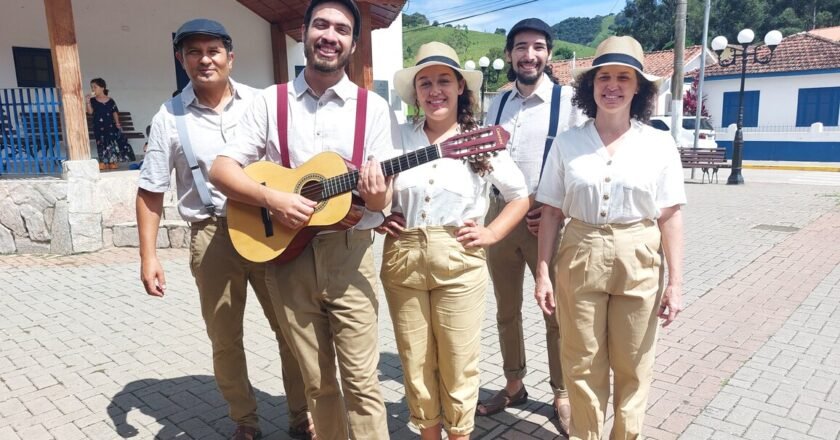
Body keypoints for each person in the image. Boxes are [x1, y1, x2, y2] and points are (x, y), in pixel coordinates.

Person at [209, 1, 398, 438]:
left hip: (350, 257)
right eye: (321, 25)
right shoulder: (268, 102)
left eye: (342, 29)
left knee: (363, 383)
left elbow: (381, 198)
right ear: (304, 32)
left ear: (353, 43)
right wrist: (271, 198)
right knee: (317, 383)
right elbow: (222, 169)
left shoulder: (372, 109)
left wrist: (376, 194)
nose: (330, 36)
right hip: (286, 258)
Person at [135, 19, 311, 440]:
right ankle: (245, 420)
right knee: (225, 339)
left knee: (292, 329)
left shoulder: (262, 102)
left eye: (213, 50)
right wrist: (148, 255)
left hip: (271, 231)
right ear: (182, 60)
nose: (204, 59)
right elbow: (150, 191)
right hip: (211, 234)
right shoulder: (169, 117)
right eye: (193, 52)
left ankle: (301, 415)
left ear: (230, 58)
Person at [534, 36, 686, 439]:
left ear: (639, 87)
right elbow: (550, 211)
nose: (613, 85)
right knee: (582, 362)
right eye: (604, 77)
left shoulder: (658, 143)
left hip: (639, 254)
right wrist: (543, 273)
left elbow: (670, 215)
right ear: (590, 86)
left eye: (624, 77)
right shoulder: (568, 143)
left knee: (634, 363)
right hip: (580, 251)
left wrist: (675, 283)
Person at [378, 42, 529, 440]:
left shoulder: (477, 140)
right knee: (416, 361)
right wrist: (379, 215)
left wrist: (493, 232)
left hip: (460, 260)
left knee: (459, 363)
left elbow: (519, 194)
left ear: (461, 87)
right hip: (403, 257)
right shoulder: (398, 139)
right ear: (416, 93)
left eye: (444, 80)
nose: (434, 90)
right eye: (425, 83)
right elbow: (378, 194)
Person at [476, 19, 582, 432]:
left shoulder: (568, 101)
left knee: (554, 311)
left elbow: (580, 162)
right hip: (500, 215)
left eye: (538, 47)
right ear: (509, 54)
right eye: (521, 47)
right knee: (506, 309)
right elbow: (484, 161)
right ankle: (514, 382)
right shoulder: (497, 104)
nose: (529, 55)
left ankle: (561, 392)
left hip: (547, 220)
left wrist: (563, 207)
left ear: (549, 55)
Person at [86, 78, 136, 170]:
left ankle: (112, 161)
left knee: (111, 143)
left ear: (102, 88)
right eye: (92, 87)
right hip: (98, 126)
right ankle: (102, 162)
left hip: (110, 125)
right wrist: (88, 102)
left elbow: (114, 112)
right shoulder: (92, 100)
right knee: (100, 143)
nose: (93, 89)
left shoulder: (110, 100)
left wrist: (117, 123)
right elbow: (90, 112)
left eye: (95, 87)